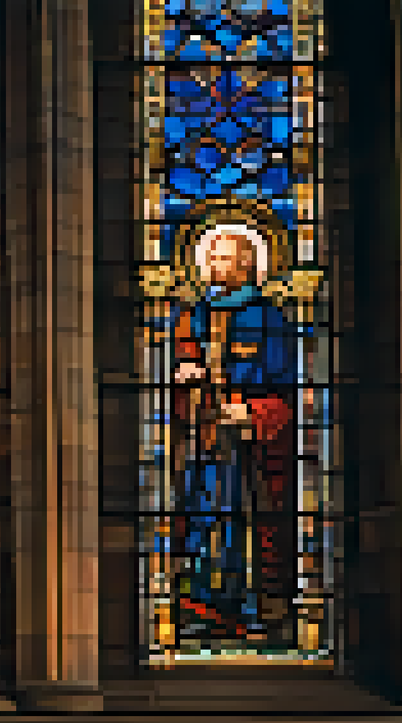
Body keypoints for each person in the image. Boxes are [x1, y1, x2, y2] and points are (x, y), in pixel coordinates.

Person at [167, 228, 296, 644]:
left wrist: (249, 411)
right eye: (210, 258)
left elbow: (284, 382)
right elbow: (181, 358)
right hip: (204, 438)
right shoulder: (192, 314)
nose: (213, 266)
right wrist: (185, 375)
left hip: (249, 441)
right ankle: (199, 609)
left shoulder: (270, 316)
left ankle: (255, 610)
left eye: (223, 258)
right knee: (203, 520)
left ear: (247, 264)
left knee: (248, 520)